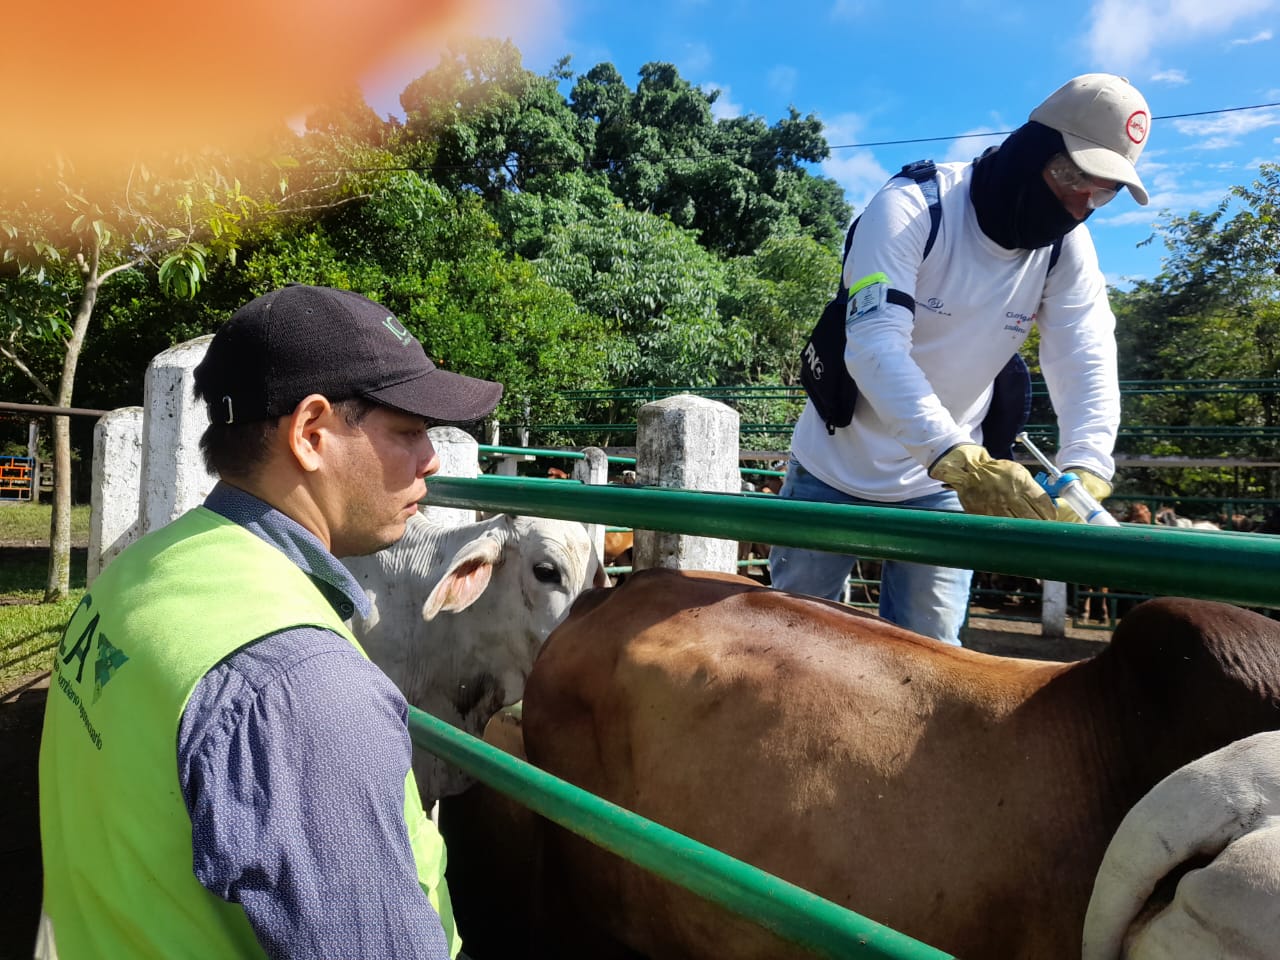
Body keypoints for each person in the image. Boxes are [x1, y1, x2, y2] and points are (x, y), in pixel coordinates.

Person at [37, 284, 503, 959]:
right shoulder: (299, 687)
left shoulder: (143, 570)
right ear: (311, 434)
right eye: (408, 431)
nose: (431, 459)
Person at [771, 73, 1150, 645]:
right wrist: (957, 459)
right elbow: (873, 344)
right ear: (1030, 150)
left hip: (944, 490)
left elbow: (1086, 350)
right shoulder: (913, 208)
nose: (1080, 205)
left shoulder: (1066, 251)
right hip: (836, 469)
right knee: (788, 646)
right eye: (1072, 177)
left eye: (1103, 193)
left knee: (934, 661)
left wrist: (1089, 464)